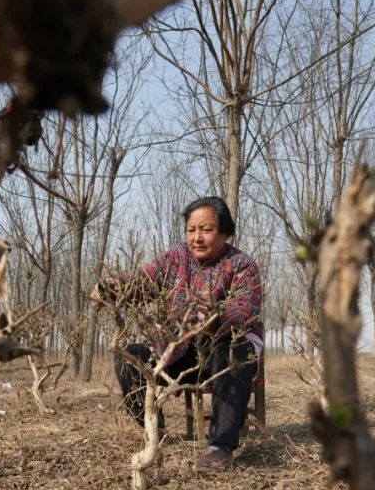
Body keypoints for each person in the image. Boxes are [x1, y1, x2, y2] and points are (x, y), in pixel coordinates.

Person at [97, 196, 263, 471]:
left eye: (206, 230)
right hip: (177, 351)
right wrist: (109, 288)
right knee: (131, 355)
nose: (197, 238)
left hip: (222, 351)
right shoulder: (175, 258)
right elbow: (142, 281)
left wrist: (213, 316)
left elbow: (245, 311)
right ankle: (155, 430)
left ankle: (220, 447)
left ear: (225, 232)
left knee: (234, 351)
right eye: (191, 230)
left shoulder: (242, 265)